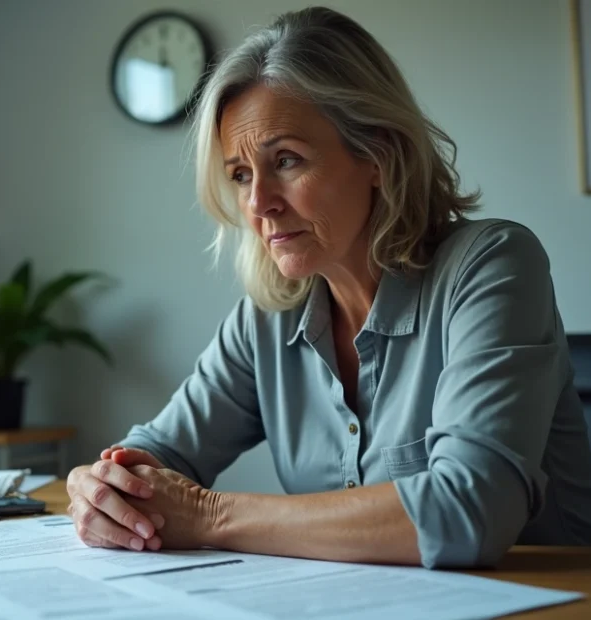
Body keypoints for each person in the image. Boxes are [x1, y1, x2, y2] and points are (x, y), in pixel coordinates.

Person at [66, 6, 591, 569]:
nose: (257, 202)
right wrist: (100, 487)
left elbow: (468, 512)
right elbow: (158, 457)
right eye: (240, 174)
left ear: (378, 154)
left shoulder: (492, 265)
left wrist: (210, 515)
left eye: (286, 160)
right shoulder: (267, 318)